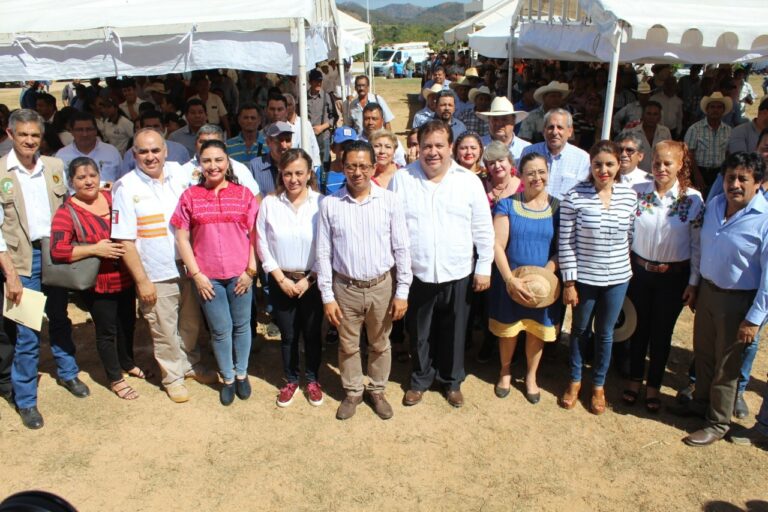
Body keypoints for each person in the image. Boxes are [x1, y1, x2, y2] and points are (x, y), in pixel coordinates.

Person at [391, 120, 494, 408]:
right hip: (418, 270)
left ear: (451, 147)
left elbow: (483, 227)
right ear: (417, 148)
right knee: (420, 331)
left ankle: (451, 381)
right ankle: (421, 378)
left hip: (458, 269)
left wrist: (484, 265)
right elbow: (393, 226)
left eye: (439, 145)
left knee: (455, 329)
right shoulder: (402, 180)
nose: (433, 152)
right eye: (427, 146)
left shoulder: (469, 181)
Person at [112, 128, 217, 403]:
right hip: (155, 273)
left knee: (191, 324)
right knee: (164, 329)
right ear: (134, 154)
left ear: (166, 150)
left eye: (155, 150)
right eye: (143, 151)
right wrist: (142, 280)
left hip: (188, 268)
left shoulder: (181, 175)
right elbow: (125, 241)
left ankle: (190, 365)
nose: (150, 157)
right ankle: (173, 376)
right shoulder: (125, 187)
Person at [0, 109, 87, 430]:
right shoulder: (0, 172)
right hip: (22, 261)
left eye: (35, 136)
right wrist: (9, 273)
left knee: (61, 318)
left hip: (55, 255)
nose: (29, 141)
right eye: (23, 135)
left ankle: (68, 372)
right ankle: (25, 400)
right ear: (10, 135)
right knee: (26, 333)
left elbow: (69, 207)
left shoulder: (54, 167)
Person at [316, 140, 412, 420]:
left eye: (363, 166)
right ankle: (353, 391)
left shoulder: (390, 201)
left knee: (380, 342)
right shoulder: (330, 204)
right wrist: (327, 296)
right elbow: (323, 253)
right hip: (345, 288)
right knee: (347, 344)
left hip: (382, 286)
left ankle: (377, 389)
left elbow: (402, 248)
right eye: (351, 166)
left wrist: (402, 291)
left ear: (373, 167)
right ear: (342, 167)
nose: (357, 172)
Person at [678, 152, 768, 447]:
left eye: (744, 178)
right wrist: (696, 285)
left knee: (727, 366)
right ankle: (700, 403)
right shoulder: (715, 205)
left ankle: (717, 422)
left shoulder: (764, 220)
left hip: (738, 302)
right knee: (703, 355)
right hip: (707, 293)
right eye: (731, 177)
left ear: (758, 183)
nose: (736, 184)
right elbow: (703, 248)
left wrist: (754, 319)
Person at [50, 157, 148, 400]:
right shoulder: (67, 211)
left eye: (92, 175)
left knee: (128, 323)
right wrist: (94, 249)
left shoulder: (111, 198)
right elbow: (58, 250)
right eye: (81, 178)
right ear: (71, 181)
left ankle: (127, 361)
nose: (88, 181)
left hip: (124, 275)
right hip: (98, 282)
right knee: (107, 330)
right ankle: (115, 378)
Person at [171, 139, 258, 406]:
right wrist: (196, 275)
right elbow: (182, 238)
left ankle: (242, 374)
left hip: (240, 273)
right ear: (200, 164)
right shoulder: (190, 197)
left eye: (218, 159)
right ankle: (228, 378)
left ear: (227, 162)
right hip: (208, 277)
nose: (213, 166)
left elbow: (255, 235)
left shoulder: (243, 194)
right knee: (221, 330)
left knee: (242, 327)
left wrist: (251, 270)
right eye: (207, 160)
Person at [623, 141, 703, 412]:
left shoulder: (692, 199)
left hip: (673, 278)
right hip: (640, 274)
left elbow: (696, 245)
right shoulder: (637, 192)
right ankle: (634, 381)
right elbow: (628, 234)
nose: (661, 168)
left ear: (680, 165)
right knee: (638, 328)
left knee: (661, 333)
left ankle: (653, 386)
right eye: (657, 163)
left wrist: (693, 283)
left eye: (668, 163)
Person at [558, 140, 637, 415]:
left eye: (610, 164)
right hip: (584, 278)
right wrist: (569, 282)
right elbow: (566, 241)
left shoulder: (629, 195)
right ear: (590, 165)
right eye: (598, 164)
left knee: (605, 333)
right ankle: (576, 380)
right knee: (580, 330)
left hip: (617, 277)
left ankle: (599, 385)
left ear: (618, 165)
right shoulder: (574, 195)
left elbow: (630, 236)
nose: (603, 170)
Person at [490, 152, 561, 403]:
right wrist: (511, 279)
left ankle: (531, 376)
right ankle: (505, 370)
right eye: (530, 173)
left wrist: (542, 279)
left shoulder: (557, 208)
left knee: (535, 331)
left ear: (548, 174)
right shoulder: (507, 204)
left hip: (543, 284)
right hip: (510, 279)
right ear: (520, 175)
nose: (536, 177)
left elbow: (561, 249)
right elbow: (497, 245)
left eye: (541, 172)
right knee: (509, 331)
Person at [256, 148, 324, 407]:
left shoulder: (321, 203)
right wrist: (280, 278)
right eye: (287, 174)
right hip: (280, 279)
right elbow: (262, 243)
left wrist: (309, 279)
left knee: (311, 333)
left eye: (299, 173)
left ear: (309, 174)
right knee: (288, 334)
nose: (293, 179)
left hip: (312, 281)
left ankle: (313, 378)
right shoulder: (270, 204)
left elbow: (326, 246)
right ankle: (292, 379)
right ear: (280, 175)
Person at [520, 109, 590, 201]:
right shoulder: (529, 152)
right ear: (544, 130)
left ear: (569, 131)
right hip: (532, 211)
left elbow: (584, 194)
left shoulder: (582, 159)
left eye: (560, 127)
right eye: (551, 127)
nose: (554, 132)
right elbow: (520, 183)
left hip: (565, 213)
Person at [180, 124, 260, 195]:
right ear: (195, 144)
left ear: (224, 145)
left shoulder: (238, 168)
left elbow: (255, 201)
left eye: (213, 142)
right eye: (203, 142)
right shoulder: (183, 170)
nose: (207, 146)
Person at [684, 92, 733, 195]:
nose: (715, 110)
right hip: (700, 171)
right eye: (712, 107)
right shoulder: (695, 129)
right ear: (707, 110)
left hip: (719, 172)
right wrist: (697, 175)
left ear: (723, 110)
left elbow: (728, 154)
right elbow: (688, 154)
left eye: (719, 107)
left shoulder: (729, 130)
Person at [55, 111, 122, 185]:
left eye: (89, 129)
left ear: (96, 131)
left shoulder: (111, 152)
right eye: (79, 130)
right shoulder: (61, 155)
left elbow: (121, 180)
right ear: (71, 131)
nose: (85, 134)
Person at [120, 111, 190, 176]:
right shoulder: (130, 154)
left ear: (163, 128)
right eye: (148, 127)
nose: (153, 130)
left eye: (156, 126)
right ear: (141, 129)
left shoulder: (180, 150)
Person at [477, 96, 530, 166]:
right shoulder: (478, 146)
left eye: (504, 119)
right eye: (495, 119)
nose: (499, 123)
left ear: (513, 121)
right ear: (489, 121)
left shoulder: (526, 148)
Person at [619, 102, 672, 171]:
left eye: (655, 114)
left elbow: (669, 154)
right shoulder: (631, 131)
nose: (651, 117)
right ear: (643, 115)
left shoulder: (665, 132)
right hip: (636, 176)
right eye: (648, 113)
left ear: (659, 117)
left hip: (658, 174)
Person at [482, 141, 522, 207]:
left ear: (510, 161)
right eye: (492, 163)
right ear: (487, 167)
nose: (497, 166)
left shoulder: (524, 187)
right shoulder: (481, 186)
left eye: (501, 160)